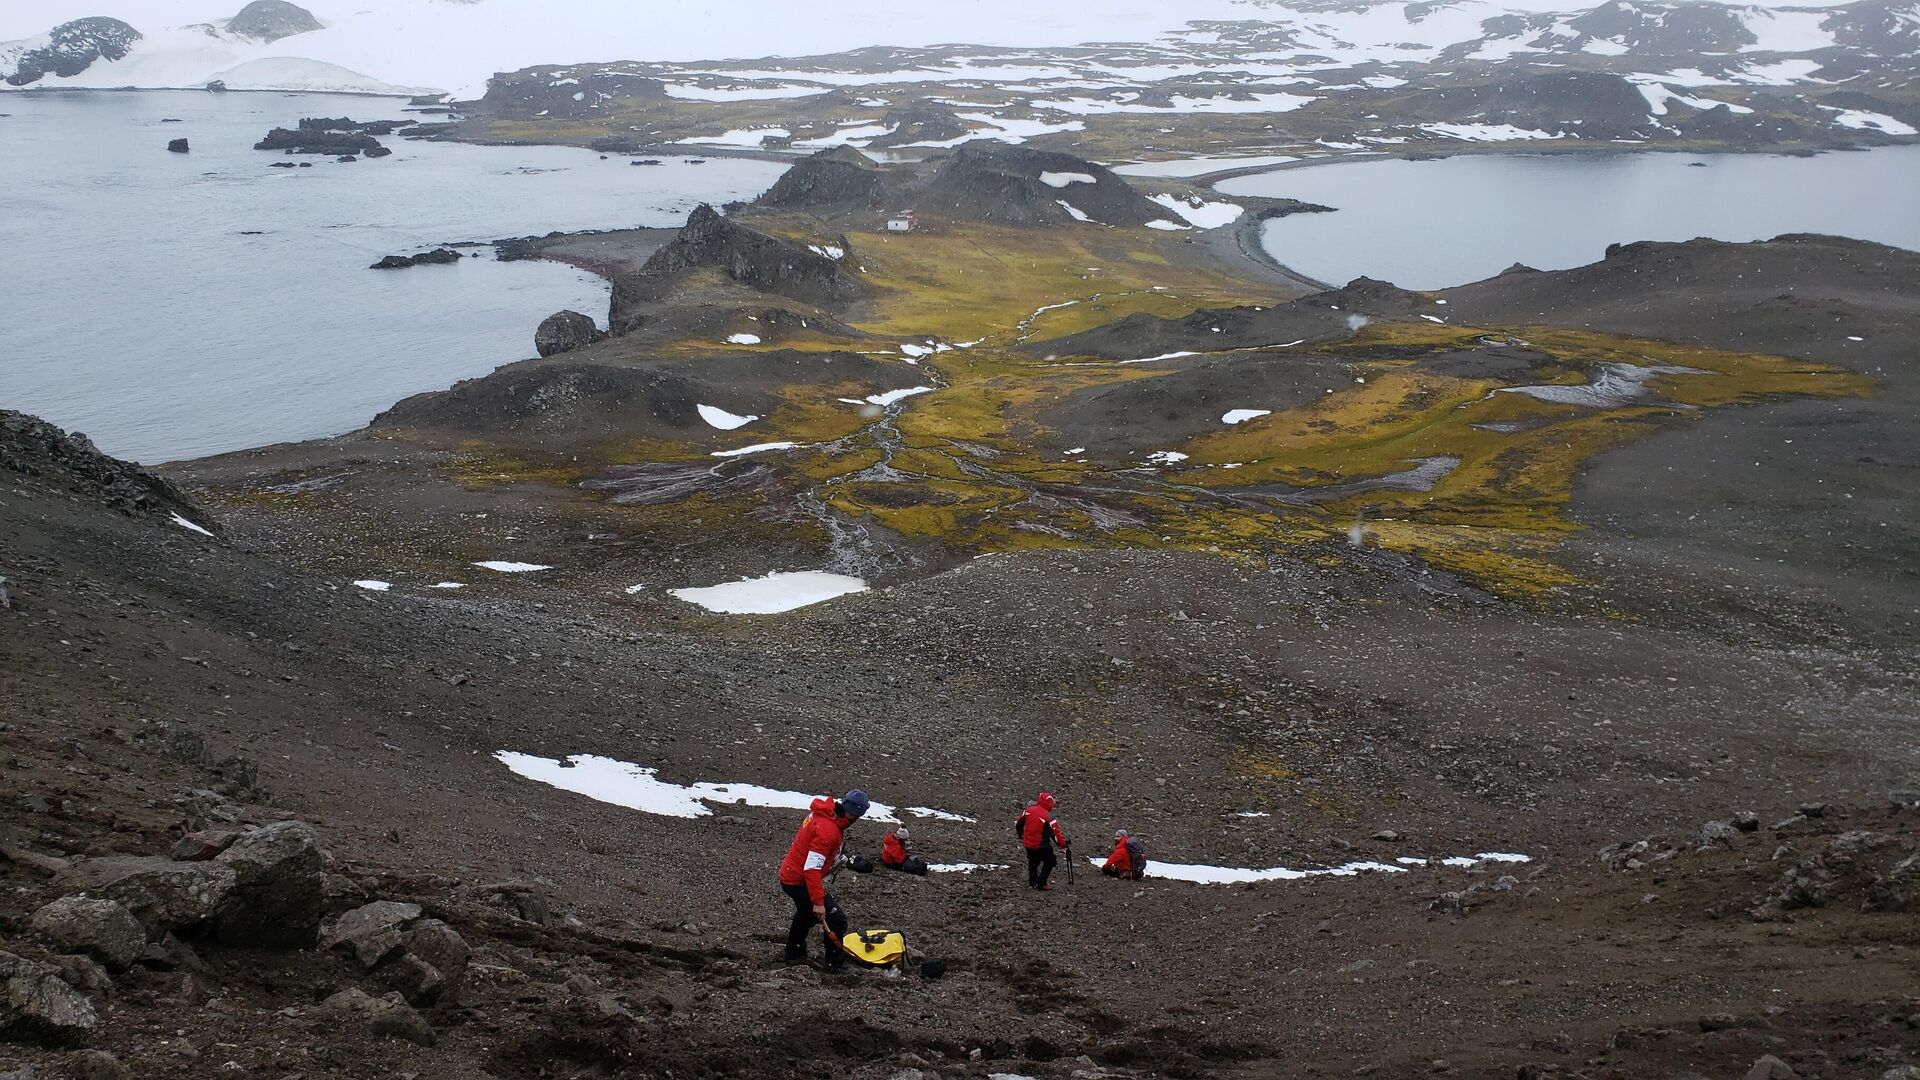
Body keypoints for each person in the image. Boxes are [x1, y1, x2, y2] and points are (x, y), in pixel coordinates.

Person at [778, 788, 869, 968]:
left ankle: (794, 952)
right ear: (852, 814)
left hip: (790, 873)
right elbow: (811, 868)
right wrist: (818, 902)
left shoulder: (824, 816)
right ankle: (834, 964)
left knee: (806, 914)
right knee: (836, 919)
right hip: (798, 880)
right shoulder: (828, 830)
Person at [1015, 791, 1068, 890]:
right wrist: (1064, 844)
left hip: (1028, 844)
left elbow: (1018, 823)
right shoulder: (1048, 817)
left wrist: (1020, 834)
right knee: (1050, 861)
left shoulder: (1028, 811)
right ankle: (1041, 883)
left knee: (1033, 861)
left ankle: (1032, 882)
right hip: (1041, 845)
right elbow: (1056, 836)